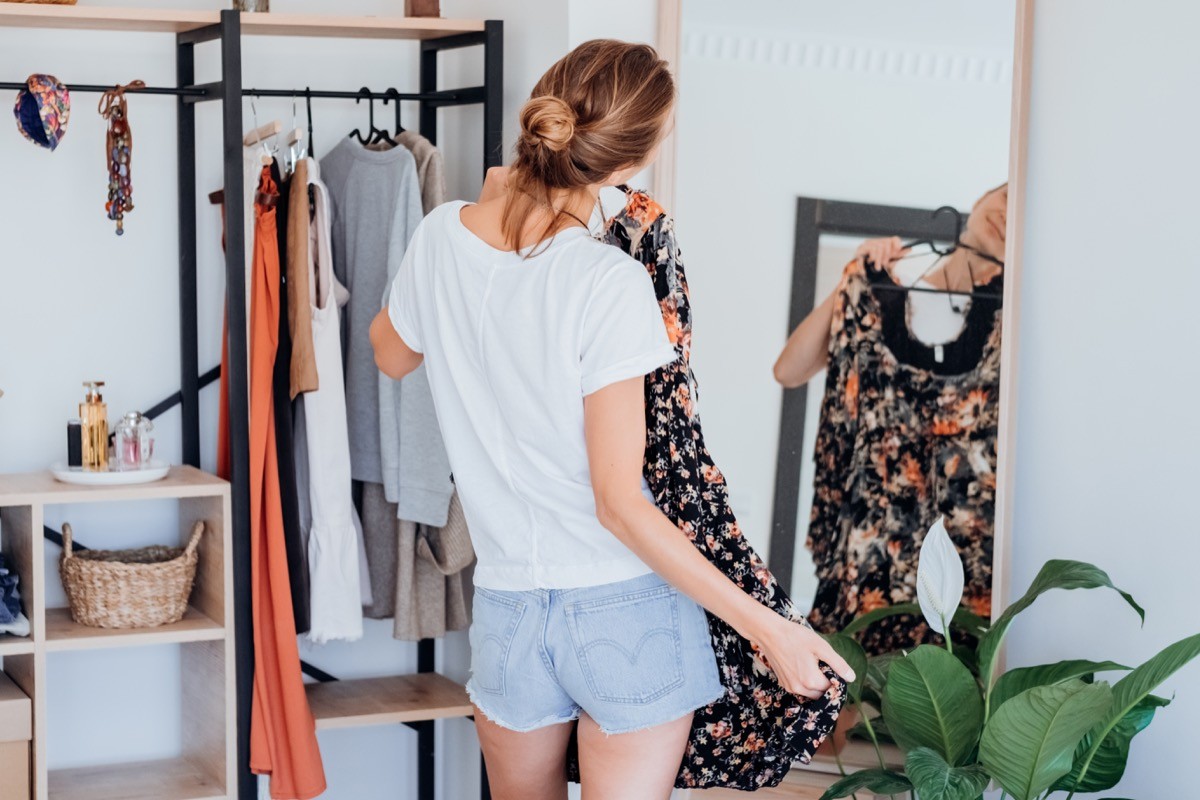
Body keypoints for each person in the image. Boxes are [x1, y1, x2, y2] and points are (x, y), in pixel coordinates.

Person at [369, 39, 853, 800]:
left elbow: (391, 355)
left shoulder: (439, 238)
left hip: (508, 610)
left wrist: (489, 211)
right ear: (625, 169)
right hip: (625, 610)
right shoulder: (608, 281)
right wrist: (772, 628)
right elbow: (619, 503)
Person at [773, 184, 1007, 389]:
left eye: (1017, 218)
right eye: (1005, 197)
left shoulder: (1002, 328)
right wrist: (856, 279)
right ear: (982, 198)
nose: (1005, 215)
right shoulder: (893, 283)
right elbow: (788, 372)